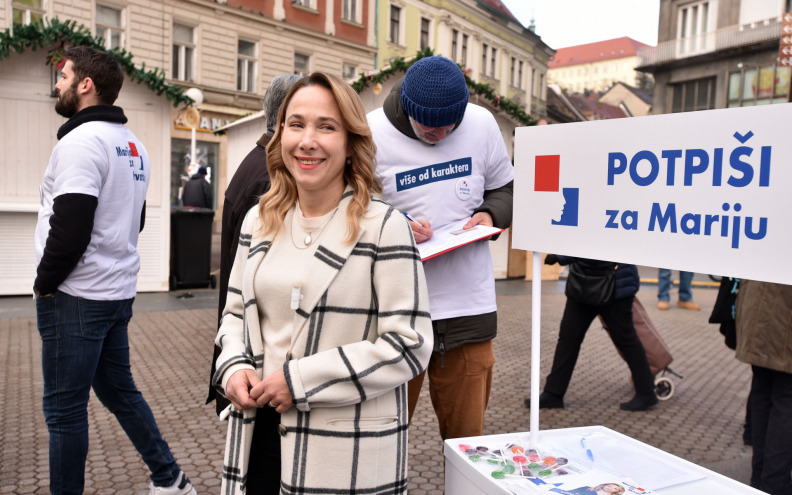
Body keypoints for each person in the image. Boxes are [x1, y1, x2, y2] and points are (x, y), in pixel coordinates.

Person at [212, 72, 433, 494]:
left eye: (326, 126)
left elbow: (409, 344)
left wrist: (300, 381)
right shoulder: (259, 219)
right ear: (279, 135)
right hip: (257, 435)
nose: (307, 140)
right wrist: (234, 366)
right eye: (295, 124)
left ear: (351, 142)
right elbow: (234, 314)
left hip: (344, 445)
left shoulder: (382, 226)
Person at [33, 46, 196, 495]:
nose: (57, 84)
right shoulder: (133, 144)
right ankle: (170, 479)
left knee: (64, 412)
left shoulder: (80, 143)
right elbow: (134, 219)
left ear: (86, 85)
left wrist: (43, 285)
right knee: (118, 391)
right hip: (115, 293)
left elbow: (70, 230)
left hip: (76, 297)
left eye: (63, 76)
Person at [367, 55, 514, 440]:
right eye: (428, 127)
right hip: (396, 311)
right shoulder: (370, 132)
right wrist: (392, 226)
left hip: (469, 307)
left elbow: (506, 186)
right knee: (384, 438)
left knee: (467, 442)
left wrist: (491, 214)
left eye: (449, 126)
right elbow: (350, 206)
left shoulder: (482, 123)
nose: (440, 135)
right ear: (408, 110)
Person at [205, 73, 301, 416]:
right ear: (283, 120)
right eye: (302, 121)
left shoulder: (260, 163)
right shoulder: (270, 177)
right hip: (257, 360)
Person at [527, 256, 657, 411]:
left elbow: (597, 245)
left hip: (615, 285)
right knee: (568, 339)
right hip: (582, 282)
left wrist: (562, 256)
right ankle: (553, 393)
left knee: (626, 340)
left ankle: (646, 393)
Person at [735, 280, 792, 495]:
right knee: (784, 402)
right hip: (783, 313)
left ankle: (760, 482)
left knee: (763, 393)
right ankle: (774, 485)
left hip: (758, 309)